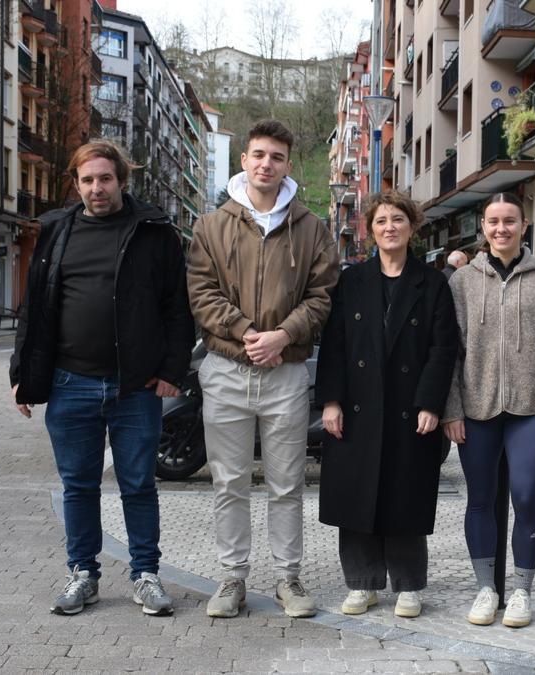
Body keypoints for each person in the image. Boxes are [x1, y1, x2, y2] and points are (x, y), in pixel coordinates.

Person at [9, 140, 193, 617]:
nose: (97, 188)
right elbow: (34, 309)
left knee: (138, 484)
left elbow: (177, 307)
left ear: (121, 181)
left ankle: (145, 575)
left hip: (136, 387)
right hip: (70, 383)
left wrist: (173, 371)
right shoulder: (55, 232)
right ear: (76, 184)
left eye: (105, 179)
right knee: (79, 485)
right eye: (87, 180)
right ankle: (83, 574)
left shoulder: (154, 231)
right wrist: (23, 375)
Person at [187, 120, 338, 618]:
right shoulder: (211, 226)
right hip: (227, 369)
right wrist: (248, 332)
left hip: (286, 372)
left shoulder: (312, 227)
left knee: (286, 483)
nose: (265, 164)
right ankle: (232, 579)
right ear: (244, 161)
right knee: (229, 481)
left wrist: (284, 335)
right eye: (258, 155)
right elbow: (201, 293)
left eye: (276, 156)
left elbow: (323, 295)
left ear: (287, 165)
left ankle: (288, 579)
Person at [315, 191, 459, 619]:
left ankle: (409, 585)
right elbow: (335, 345)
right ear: (371, 229)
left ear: (412, 227)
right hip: (357, 406)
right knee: (356, 496)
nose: (389, 227)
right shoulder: (352, 281)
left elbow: (442, 348)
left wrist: (430, 403)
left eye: (398, 219)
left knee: (406, 496)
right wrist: (331, 401)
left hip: (409, 408)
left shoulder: (432, 283)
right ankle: (362, 583)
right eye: (381, 220)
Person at [442, 192, 535, 628]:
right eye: (493, 221)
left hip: (531, 409)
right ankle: (486, 588)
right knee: (479, 498)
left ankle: (521, 590)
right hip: (476, 408)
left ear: (524, 225)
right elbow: (451, 352)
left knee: (524, 496)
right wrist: (452, 409)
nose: (502, 229)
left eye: (510, 221)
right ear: (483, 227)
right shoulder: (462, 282)